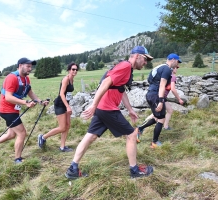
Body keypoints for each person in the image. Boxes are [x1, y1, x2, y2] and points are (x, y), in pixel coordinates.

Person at [65, 46, 154, 179]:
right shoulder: (125, 66)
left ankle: (73, 168)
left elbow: (120, 89)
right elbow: (106, 82)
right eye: (145, 59)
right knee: (131, 135)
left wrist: (130, 109)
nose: (146, 62)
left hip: (103, 108)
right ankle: (135, 171)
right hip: (107, 108)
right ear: (137, 56)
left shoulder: (127, 69)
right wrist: (93, 105)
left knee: (91, 136)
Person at [0, 57, 49, 163]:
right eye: (28, 66)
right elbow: (8, 97)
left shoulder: (26, 78)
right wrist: (25, 103)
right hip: (7, 110)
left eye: (31, 66)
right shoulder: (12, 78)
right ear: (20, 66)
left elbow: (29, 92)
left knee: (11, 135)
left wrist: (40, 101)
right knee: (22, 133)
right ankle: (17, 159)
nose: (30, 69)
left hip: (13, 109)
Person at [137, 64, 184, 143]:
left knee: (165, 113)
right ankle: (151, 137)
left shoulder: (167, 75)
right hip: (159, 97)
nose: (177, 69)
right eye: (176, 67)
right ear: (172, 69)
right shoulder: (172, 76)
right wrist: (179, 99)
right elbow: (172, 89)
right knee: (159, 117)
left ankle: (142, 129)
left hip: (160, 97)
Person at [38, 62, 79, 152]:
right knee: (62, 127)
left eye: (76, 69)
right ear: (69, 70)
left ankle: (62, 147)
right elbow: (61, 94)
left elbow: (68, 94)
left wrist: (68, 105)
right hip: (60, 104)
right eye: (73, 69)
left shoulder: (72, 80)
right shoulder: (66, 79)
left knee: (67, 126)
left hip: (66, 104)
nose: (75, 71)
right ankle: (43, 137)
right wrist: (68, 107)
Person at [144, 53, 181, 148]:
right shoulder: (167, 69)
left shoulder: (160, 67)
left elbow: (150, 80)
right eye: (177, 61)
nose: (177, 64)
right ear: (173, 59)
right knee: (161, 119)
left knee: (157, 117)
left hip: (150, 94)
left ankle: (139, 129)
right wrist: (161, 101)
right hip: (156, 95)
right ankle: (154, 142)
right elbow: (162, 85)